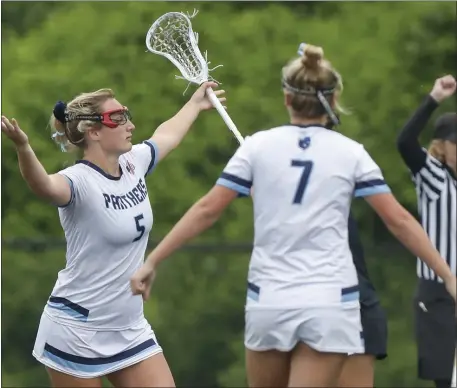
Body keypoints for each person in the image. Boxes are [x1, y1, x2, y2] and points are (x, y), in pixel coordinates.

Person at [131, 45, 456, 388]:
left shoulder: (258, 147)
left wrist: (152, 261)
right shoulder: (350, 153)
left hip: (269, 299)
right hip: (331, 302)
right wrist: (448, 275)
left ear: (287, 98)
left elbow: (207, 210)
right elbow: (400, 222)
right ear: (334, 98)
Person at [0, 81, 226, 388]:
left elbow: (167, 136)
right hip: (77, 330)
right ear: (93, 132)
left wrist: (196, 103)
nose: (130, 125)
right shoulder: (77, 181)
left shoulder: (134, 163)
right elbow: (43, 186)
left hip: (129, 328)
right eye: (119, 119)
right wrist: (23, 148)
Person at [396, 75, 456, 388]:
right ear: (443, 146)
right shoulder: (434, 178)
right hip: (439, 294)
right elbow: (404, 142)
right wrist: (433, 99)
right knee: (446, 379)